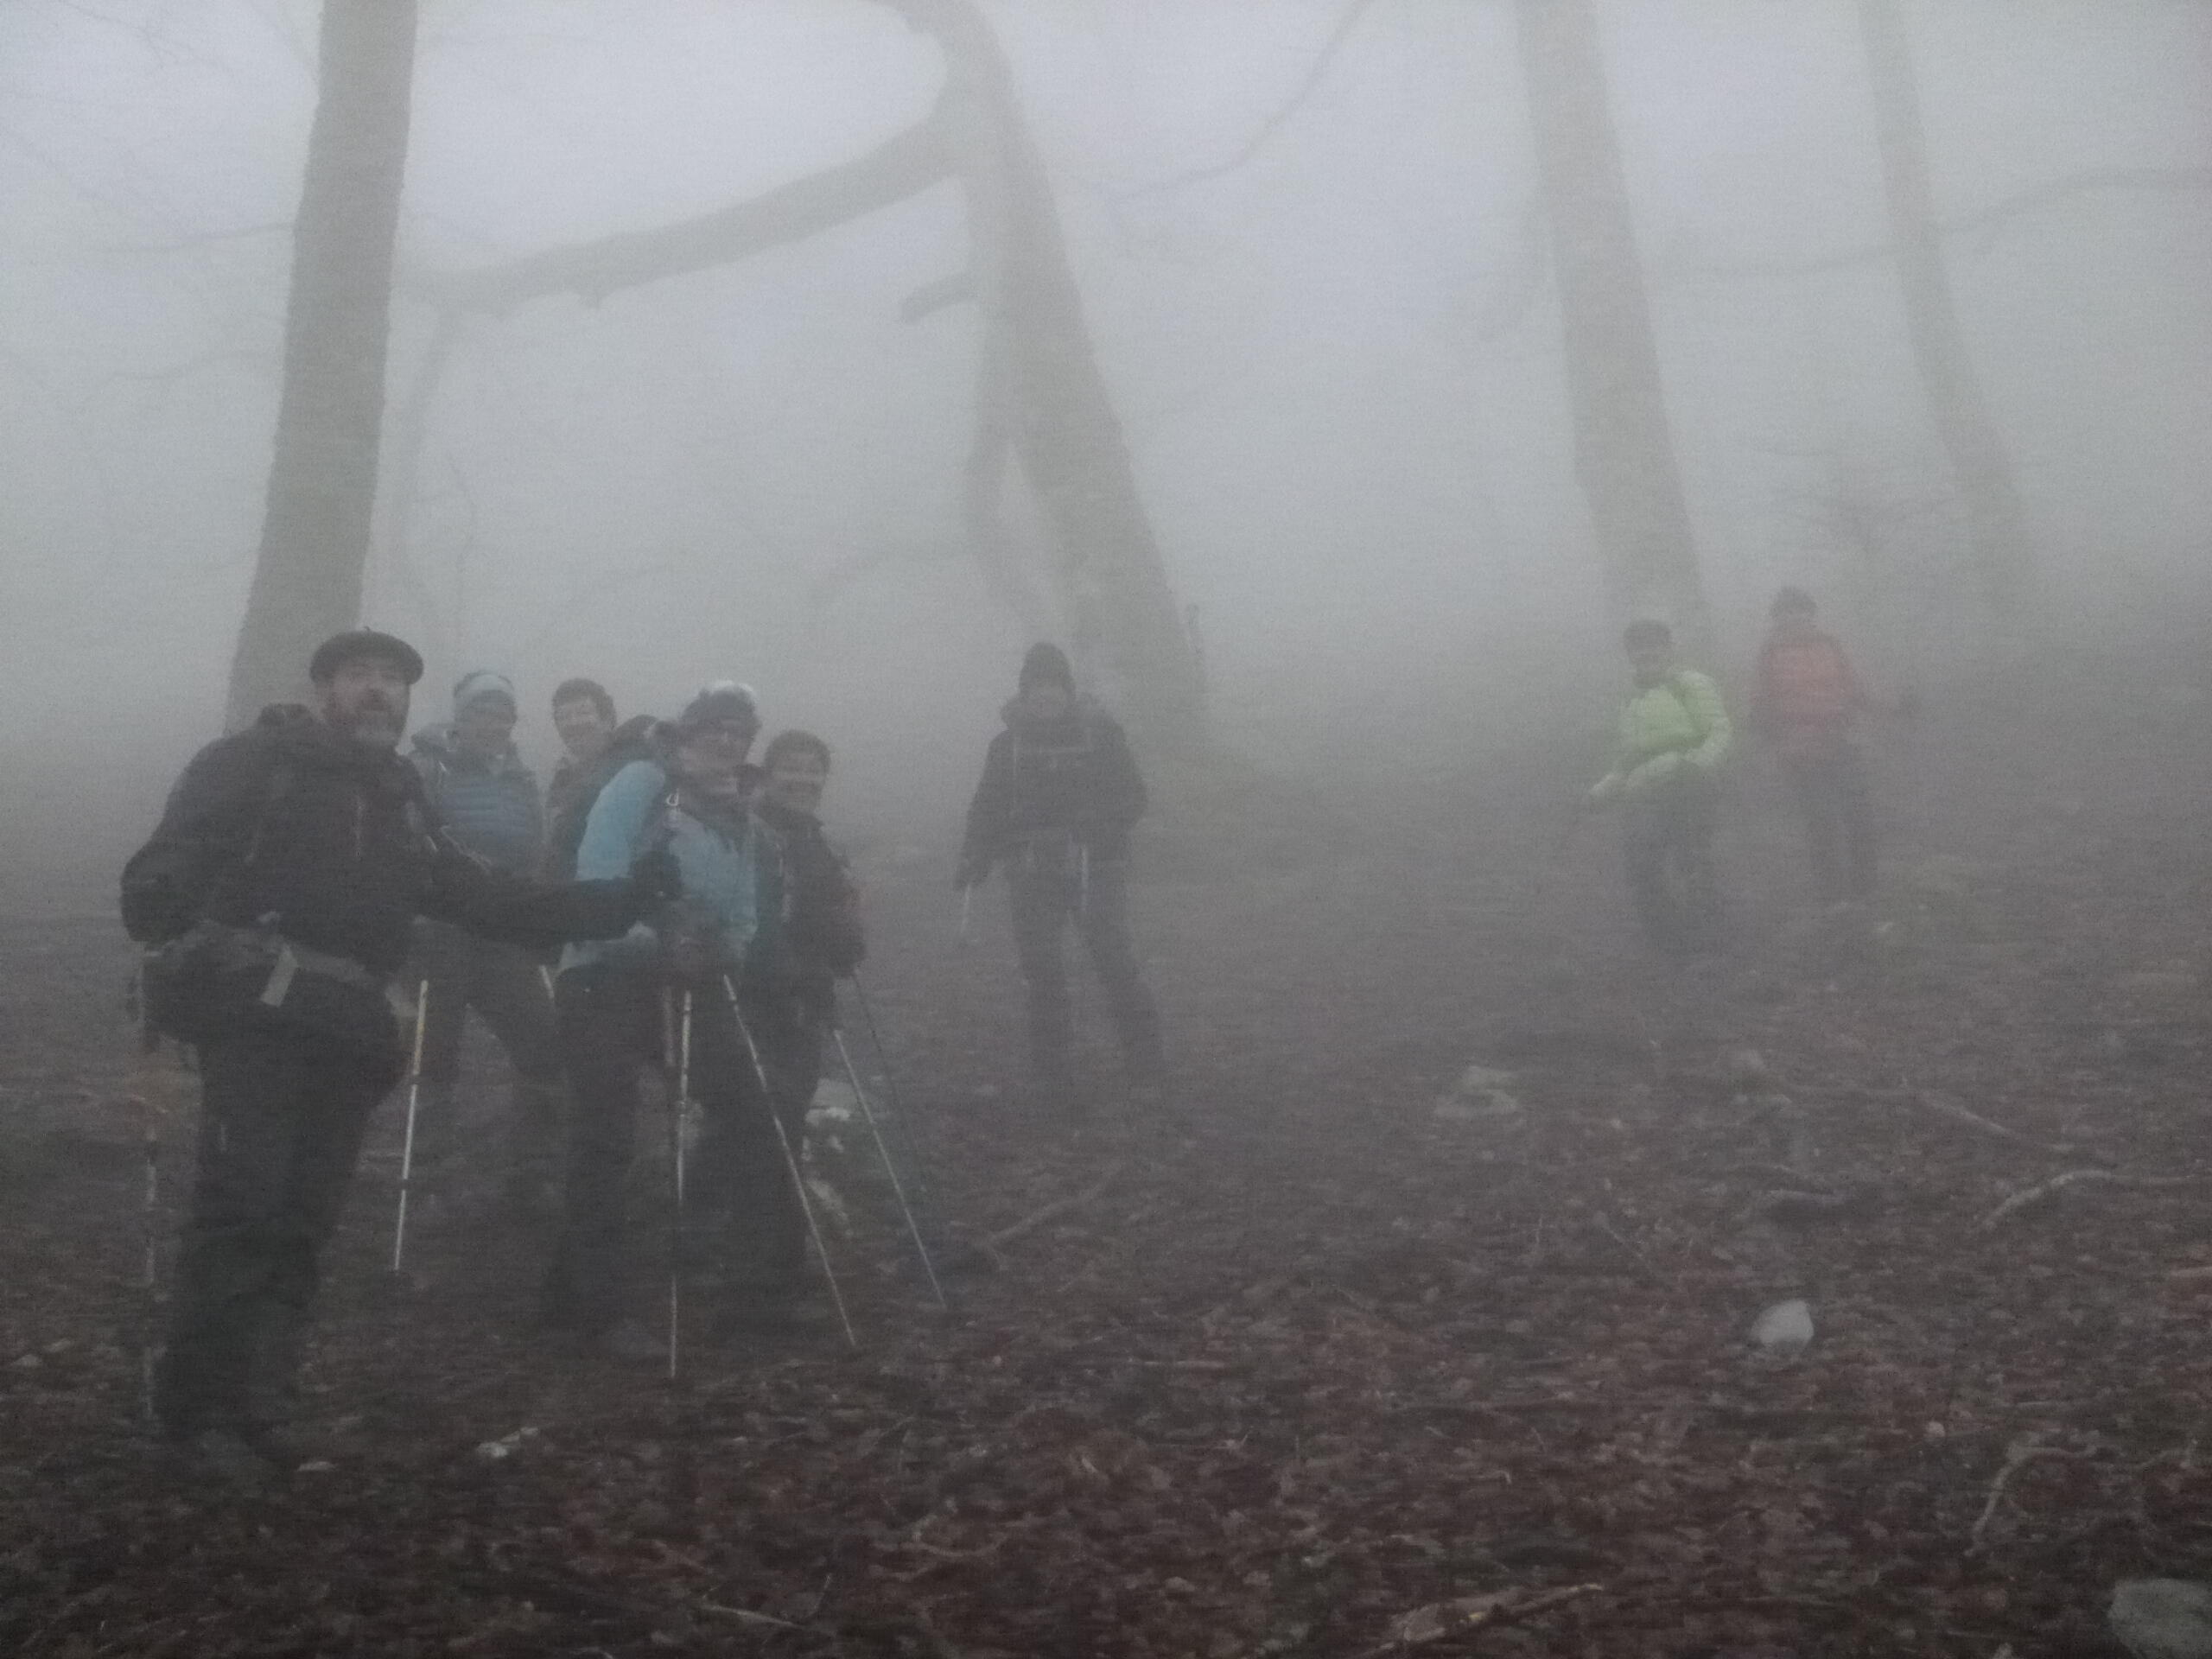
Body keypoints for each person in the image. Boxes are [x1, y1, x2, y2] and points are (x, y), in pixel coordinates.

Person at [121, 630, 671, 1486]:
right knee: (244, 1208)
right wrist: (159, 902)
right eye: (359, 675)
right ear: (324, 687)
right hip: (257, 1016)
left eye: (392, 679)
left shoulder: (401, 795)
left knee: (303, 1218)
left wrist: (615, 903)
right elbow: (171, 857)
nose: (378, 691)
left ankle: (263, 1406)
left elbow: (484, 898)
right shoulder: (254, 762)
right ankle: (194, 1413)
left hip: (346, 1029)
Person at [539, 683, 808, 1355]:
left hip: (693, 978)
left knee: (757, 1106)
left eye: (739, 733)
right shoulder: (641, 783)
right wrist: (651, 940)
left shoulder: (738, 814)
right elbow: (599, 876)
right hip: (600, 976)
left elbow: (743, 911)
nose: (727, 741)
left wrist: (724, 950)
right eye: (716, 727)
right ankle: (595, 1310)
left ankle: (755, 1294)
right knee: (606, 1132)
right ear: (688, 731)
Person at [957, 643, 1165, 1109]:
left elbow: (1133, 796)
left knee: (1113, 960)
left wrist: (1100, 826)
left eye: (1053, 686)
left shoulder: (1102, 736)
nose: (1045, 695)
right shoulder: (1006, 746)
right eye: (1036, 687)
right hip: (1031, 869)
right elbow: (988, 806)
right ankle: (1054, 1080)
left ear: (1068, 690)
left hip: (1097, 866)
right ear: (1024, 692)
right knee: (1043, 970)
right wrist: (975, 855)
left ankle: (1147, 1067)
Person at [406, 671, 563, 1217]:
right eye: (481, 712)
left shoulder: (522, 779)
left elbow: (535, 852)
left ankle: (531, 1172)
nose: (493, 723)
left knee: (543, 1043)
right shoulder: (428, 768)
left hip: (502, 931)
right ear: (460, 716)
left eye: (503, 714)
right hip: (441, 930)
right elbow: (408, 840)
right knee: (435, 1055)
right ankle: (429, 1180)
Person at [1586, 619, 1734, 956]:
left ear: (1668, 649)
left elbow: (1719, 730)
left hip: (1687, 784)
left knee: (1691, 859)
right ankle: (1667, 940)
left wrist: (1696, 766)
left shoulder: (1690, 684)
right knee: (1642, 866)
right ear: (1630, 655)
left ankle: (1710, 937)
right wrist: (1602, 790)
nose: (1646, 653)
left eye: (1654, 645)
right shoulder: (1630, 699)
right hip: (1643, 792)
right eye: (1638, 648)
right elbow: (1627, 757)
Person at [751, 730, 866, 1109]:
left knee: (796, 1094)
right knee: (762, 1101)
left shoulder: (821, 839)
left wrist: (845, 944)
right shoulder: (748, 833)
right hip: (755, 997)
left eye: (814, 771)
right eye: (791, 769)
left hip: (807, 994)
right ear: (767, 775)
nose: (803, 779)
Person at [1751, 587, 1880, 906]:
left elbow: (1855, 688)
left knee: (1859, 814)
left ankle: (1866, 887)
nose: (1796, 618)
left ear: (1811, 614)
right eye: (1788, 612)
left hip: (1841, 741)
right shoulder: (1770, 654)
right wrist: (1768, 737)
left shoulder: (1830, 645)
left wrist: (1891, 708)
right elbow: (1761, 701)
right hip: (1800, 750)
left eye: (1801, 611)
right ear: (1778, 619)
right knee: (1821, 822)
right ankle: (1832, 895)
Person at [543, 677, 658, 882]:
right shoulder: (562, 778)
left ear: (607, 719)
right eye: (563, 716)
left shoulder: (633, 765)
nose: (573, 723)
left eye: (583, 712)